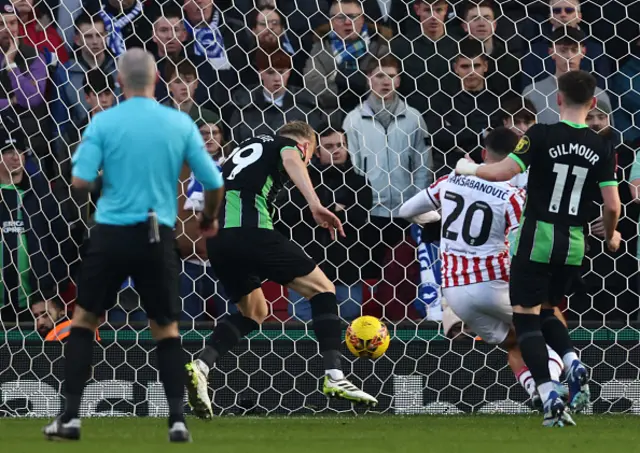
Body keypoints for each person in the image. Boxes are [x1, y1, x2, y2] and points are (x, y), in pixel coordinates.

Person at [42, 48, 225, 443]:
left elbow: (79, 181)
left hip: (109, 232)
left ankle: (70, 418)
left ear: (119, 82)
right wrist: (208, 218)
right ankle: (177, 421)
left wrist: (112, 185)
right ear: (157, 80)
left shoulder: (105, 122)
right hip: (156, 234)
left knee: (85, 322)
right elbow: (213, 181)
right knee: (166, 329)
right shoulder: (177, 122)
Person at [454, 70, 621, 426]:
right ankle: (573, 360)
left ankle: (549, 397)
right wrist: (610, 236)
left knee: (526, 320)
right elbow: (612, 205)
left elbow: (501, 173)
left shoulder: (540, 134)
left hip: (535, 239)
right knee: (549, 310)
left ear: (558, 99)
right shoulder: (603, 145)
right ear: (593, 103)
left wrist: (469, 168)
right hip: (573, 243)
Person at [185, 121, 378, 420]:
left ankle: (202, 366)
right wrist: (315, 205)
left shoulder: (241, 150)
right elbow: (290, 158)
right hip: (253, 232)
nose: (307, 160)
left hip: (221, 242)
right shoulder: (284, 145)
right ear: (305, 145)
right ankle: (335, 375)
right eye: (310, 154)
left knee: (253, 312)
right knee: (324, 289)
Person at [398, 127, 566, 410]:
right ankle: (551, 389)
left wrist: (436, 222)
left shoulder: (451, 180)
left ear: (484, 154)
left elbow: (405, 211)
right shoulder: (513, 196)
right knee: (549, 322)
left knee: (515, 341)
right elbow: (521, 244)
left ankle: (534, 391)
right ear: (516, 160)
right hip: (493, 283)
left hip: (454, 293)